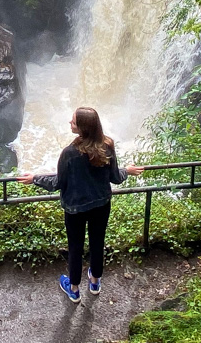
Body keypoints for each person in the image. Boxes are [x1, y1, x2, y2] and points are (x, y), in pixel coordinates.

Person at [19, 107, 143, 304]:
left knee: (75, 247)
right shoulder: (107, 145)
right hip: (101, 205)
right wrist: (126, 171)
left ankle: (74, 289)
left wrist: (35, 178)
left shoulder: (69, 153)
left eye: (74, 122)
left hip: (75, 209)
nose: (70, 123)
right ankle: (95, 282)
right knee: (97, 242)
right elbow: (115, 178)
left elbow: (57, 183)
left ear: (83, 128)